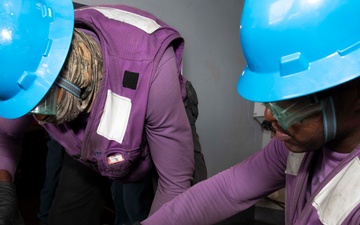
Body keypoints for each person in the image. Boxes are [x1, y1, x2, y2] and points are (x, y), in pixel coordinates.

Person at [140, 0, 360, 224]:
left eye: (292, 98)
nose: (269, 116)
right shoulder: (301, 145)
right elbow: (228, 190)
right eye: (272, 98)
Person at [0, 0, 196, 224]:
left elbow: (175, 183)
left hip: (149, 108)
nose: (39, 117)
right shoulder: (21, 63)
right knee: (66, 216)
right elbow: (5, 134)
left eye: (42, 101)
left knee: (136, 210)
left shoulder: (154, 71)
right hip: (89, 144)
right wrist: (3, 188)